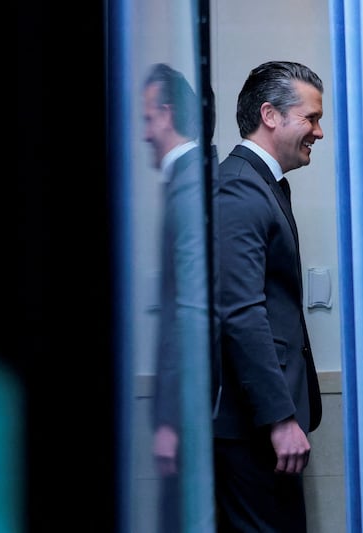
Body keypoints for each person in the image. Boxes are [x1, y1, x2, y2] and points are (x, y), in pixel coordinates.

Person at [211, 60, 324, 532]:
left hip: (258, 426)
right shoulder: (240, 186)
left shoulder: (260, 183)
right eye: (311, 118)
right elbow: (240, 312)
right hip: (252, 428)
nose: (319, 132)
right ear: (270, 115)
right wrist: (279, 419)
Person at [142, 62, 218, 533]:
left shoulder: (189, 185)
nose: (144, 133)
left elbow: (187, 310)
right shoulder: (192, 179)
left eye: (148, 119)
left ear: (167, 115)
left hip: (188, 415)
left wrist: (169, 420)